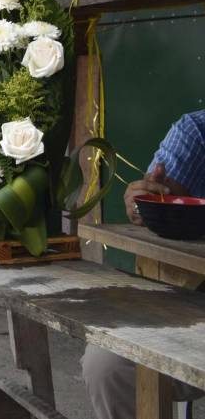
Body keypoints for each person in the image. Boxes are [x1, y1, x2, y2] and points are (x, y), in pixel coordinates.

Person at [81, 111, 205, 419]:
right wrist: (149, 201)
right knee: (108, 365)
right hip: (194, 305)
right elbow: (152, 195)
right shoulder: (196, 130)